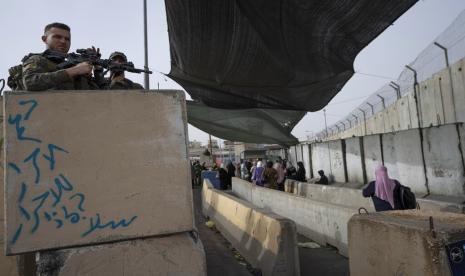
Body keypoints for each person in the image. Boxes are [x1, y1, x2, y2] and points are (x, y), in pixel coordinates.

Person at [22, 22, 100, 91]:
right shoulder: (37, 60)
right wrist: (75, 70)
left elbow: (103, 95)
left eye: (67, 39)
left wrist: (97, 68)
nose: (63, 41)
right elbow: (30, 82)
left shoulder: (75, 66)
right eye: (57, 37)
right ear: (44, 39)